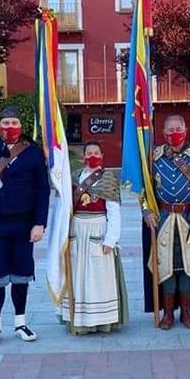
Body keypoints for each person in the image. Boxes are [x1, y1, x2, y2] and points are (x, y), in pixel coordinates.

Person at [0, 107, 50, 346]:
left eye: (14, 122)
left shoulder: (33, 153)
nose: (10, 127)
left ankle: (20, 322)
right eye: (5, 123)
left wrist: (39, 223)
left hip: (24, 224)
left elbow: (42, 191)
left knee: (21, 274)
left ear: (20, 125)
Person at [142, 114, 190, 330]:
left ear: (186, 130)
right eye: (170, 130)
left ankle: (185, 312)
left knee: (188, 266)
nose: (174, 133)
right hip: (163, 219)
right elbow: (144, 189)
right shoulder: (154, 157)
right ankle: (167, 313)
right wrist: (146, 212)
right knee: (167, 266)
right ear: (164, 133)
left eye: (178, 129)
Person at [61, 141, 128, 334]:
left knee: (99, 276)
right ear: (83, 156)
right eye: (88, 153)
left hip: (98, 228)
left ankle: (102, 319)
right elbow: (65, 208)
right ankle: (78, 319)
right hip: (76, 229)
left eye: (95, 152)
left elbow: (114, 212)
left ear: (102, 155)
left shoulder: (108, 179)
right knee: (77, 275)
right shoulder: (74, 177)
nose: (92, 155)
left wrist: (110, 240)